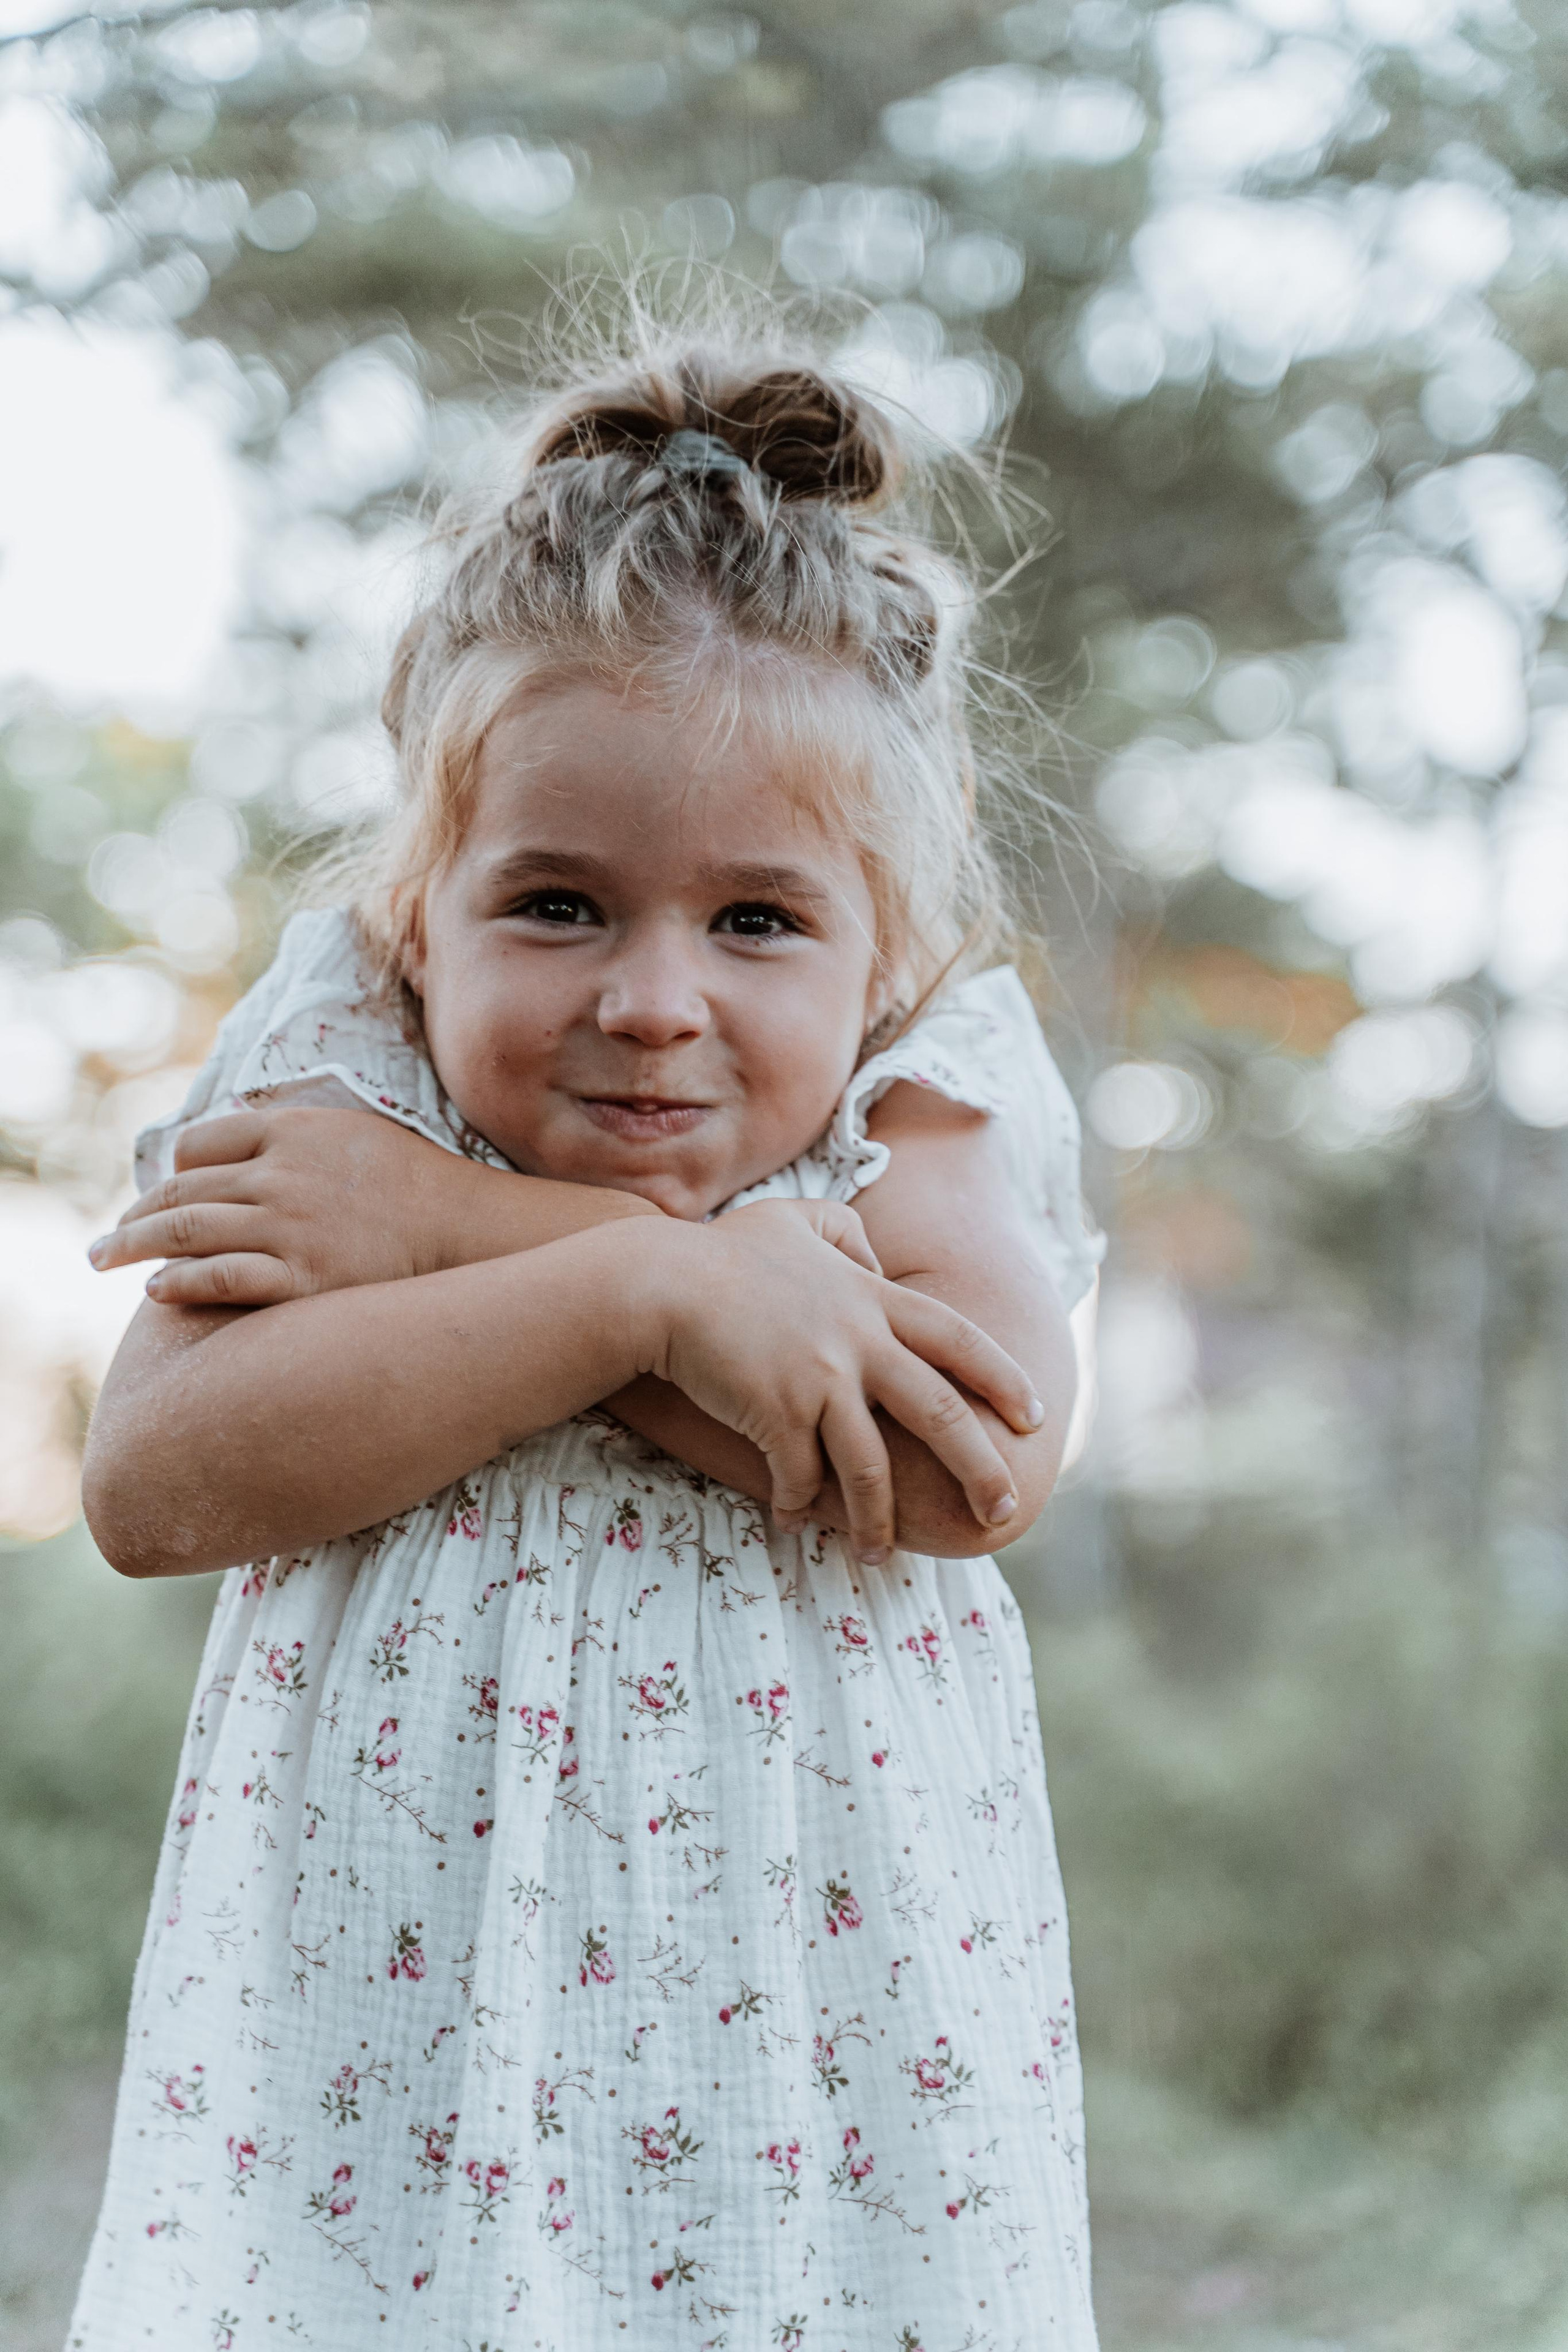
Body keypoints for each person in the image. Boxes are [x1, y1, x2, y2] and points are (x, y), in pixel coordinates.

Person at [68, 331, 1104, 2351]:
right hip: (402, 2041)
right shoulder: (347, 1064)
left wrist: (474, 1240)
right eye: (556, 905)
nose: (651, 1001)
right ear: (418, 913)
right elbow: (152, 1484)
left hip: (813, 2040)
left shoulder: (922, 1090)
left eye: (758, 921)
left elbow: (970, 1465)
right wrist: (655, 1288)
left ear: (884, 948)